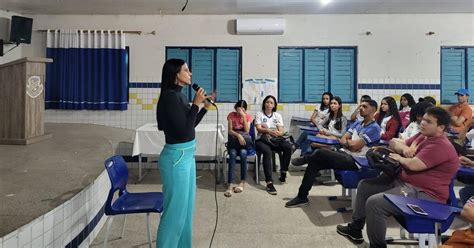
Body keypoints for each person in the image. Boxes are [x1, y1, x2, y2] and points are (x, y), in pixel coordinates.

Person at [336, 107, 460, 248]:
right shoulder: (423, 136)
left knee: (375, 203)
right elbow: (393, 142)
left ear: (441, 127)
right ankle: (355, 229)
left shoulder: (441, 145)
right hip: (404, 182)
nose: (423, 123)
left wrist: (399, 157)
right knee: (365, 186)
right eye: (423, 119)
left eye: (428, 121)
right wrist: (405, 150)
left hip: (425, 193)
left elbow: (413, 165)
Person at [155, 58, 212, 247]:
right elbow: (182, 132)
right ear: (176, 74)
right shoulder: (170, 96)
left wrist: (203, 108)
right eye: (186, 70)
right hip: (176, 159)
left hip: (187, 157)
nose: (190, 74)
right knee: (174, 214)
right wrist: (196, 104)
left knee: (186, 212)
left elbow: (190, 125)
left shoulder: (179, 95)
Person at [286, 99, 381, 208]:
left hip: (357, 161)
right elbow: (343, 139)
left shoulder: (374, 128)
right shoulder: (358, 123)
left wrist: (350, 144)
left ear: (373, 110)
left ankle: (305, 159)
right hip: (346, 154)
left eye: (364, 107)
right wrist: (350, 144)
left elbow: (354, 145)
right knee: (315, 162)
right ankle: (302, 197)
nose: (361, 108)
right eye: (360, 106)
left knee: (320, 152)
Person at [255, 95, 293, 195]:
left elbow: (281, 131)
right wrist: (268, 130)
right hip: (262, 140)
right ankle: (269, 183)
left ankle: (283, 172)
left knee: (288, 147)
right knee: (267, 152)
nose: (269, 104)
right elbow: (259, 129)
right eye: (267, 102)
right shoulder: (259, 114)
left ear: (274, 105)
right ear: (264, 103)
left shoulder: (277, 116)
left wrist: (271, 131)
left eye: (271, 103)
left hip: (275, 140)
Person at [225, 100, 252, 197]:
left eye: (242, 109)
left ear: (245, 110)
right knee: (232, 154)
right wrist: (238, 135)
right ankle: (230, 184)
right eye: (238, 109)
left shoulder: (247, 116)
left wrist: (244, 116)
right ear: (235, 107)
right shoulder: (231, 115)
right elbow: (229, 130)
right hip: (233, 142)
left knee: (244, 153)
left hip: (243, 144)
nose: (239, 111)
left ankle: (242, 182)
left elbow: (247, 130)